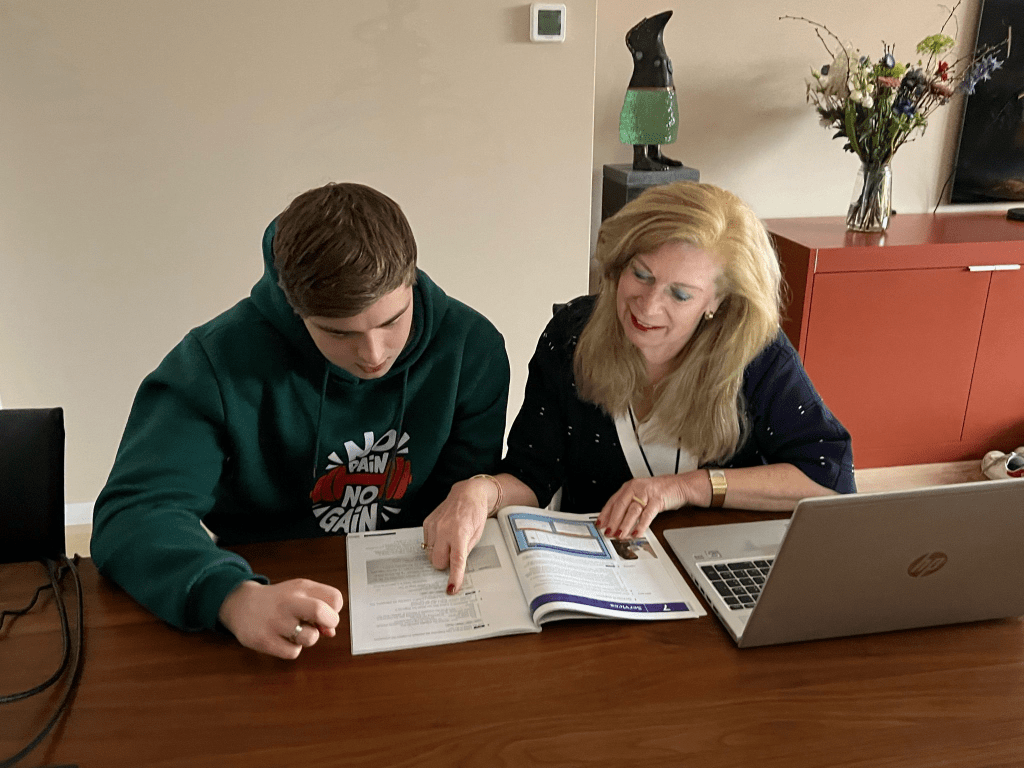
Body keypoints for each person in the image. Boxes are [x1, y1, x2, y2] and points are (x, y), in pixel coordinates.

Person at [91, 182, 510, 659]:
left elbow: (460, 503)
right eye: (339, 333)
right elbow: (134, 512)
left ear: (410, 279)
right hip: (267, 592)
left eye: (392, 321)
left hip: (422, 593)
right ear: (294, 308)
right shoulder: (213, 364)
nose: (374, 355)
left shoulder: (471, 348)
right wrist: (232, 597)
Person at [424, 181, 855, 593]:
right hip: (596, 578)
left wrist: (685, 487)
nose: (648, 306)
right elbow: (532, 474)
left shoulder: (755, 353)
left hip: (719, 573)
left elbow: (828, 479)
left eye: (680, 295)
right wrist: (481, 491)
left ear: (718, 302)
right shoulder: (570, 337)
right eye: (641, 274)